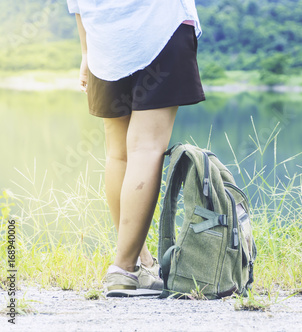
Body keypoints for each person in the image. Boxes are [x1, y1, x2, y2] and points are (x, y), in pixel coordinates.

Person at [67, 0, 205, 297]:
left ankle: (140, 264)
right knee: (146, 148)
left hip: (105, 39)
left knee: (118, 154)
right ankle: (125, 268)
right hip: (160, 29)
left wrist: (86, 51)